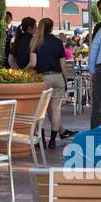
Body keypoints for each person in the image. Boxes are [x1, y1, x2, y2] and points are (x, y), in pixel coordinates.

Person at [31, 18, 68, 148]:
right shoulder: (58, 42)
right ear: (52, 28)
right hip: (57, 77)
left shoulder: (36, 42)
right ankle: (53, 140)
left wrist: (23, 71)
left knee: (40, 110)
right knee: (56, 110)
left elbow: (33, 64)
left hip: (42, 78)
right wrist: (65, 79)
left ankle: (41, 139)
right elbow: (63, 64)